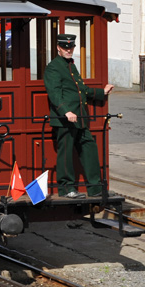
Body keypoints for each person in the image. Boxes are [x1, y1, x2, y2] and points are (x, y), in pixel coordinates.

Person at [44, 33, 114, 198]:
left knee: (89, 147)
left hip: (80, 117)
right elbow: (54, 93)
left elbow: (81, 90)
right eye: (65, 47)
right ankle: (66, 188)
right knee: (66, 153)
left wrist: (101, 92)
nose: (69, 50)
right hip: (65, 119)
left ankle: (95, 187)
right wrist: (65, 111)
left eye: (71, 47)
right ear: (58, 48)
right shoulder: (54, 67)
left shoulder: (71, 65)